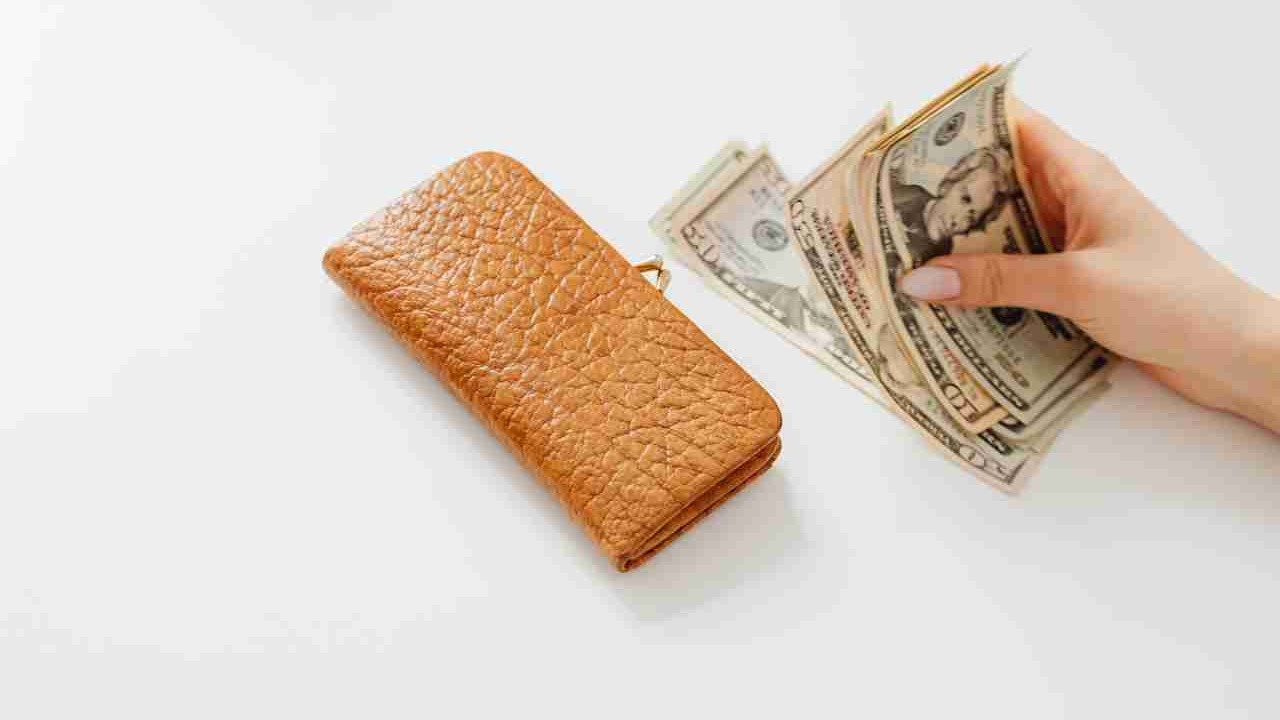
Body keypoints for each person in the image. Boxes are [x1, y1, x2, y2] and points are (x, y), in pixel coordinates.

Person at [897, 103, 1280, 435]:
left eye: (973, 215)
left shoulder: (952, 250)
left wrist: (1228, 341)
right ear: (948, 182)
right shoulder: (903, 200)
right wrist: (1228, 348)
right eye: (965, 197)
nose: (963, 217)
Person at [890, 145, 1018, 263]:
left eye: (971, 218)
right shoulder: (909, 193)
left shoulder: (940, 258)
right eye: (965, 199)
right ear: (950, 183)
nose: (956, 221)